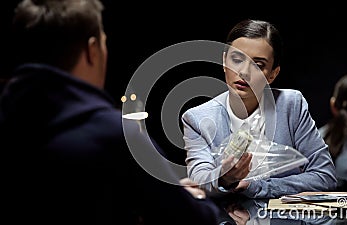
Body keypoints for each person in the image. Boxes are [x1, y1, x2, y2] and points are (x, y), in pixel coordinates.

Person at [0, 0, 221, 224]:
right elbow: (194, 219)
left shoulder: (9, 120)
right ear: (92, 50)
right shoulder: (119, 136)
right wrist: (193, 199)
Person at [181, 19, 337, 199]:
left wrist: (259, 187)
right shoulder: (197, 118)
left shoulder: (291, 105)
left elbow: (325, 176)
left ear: (273, 74)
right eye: (237, 59)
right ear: (224, 61)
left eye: (258, 65)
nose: (244, 72)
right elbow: (199, 180)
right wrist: (223, 179)